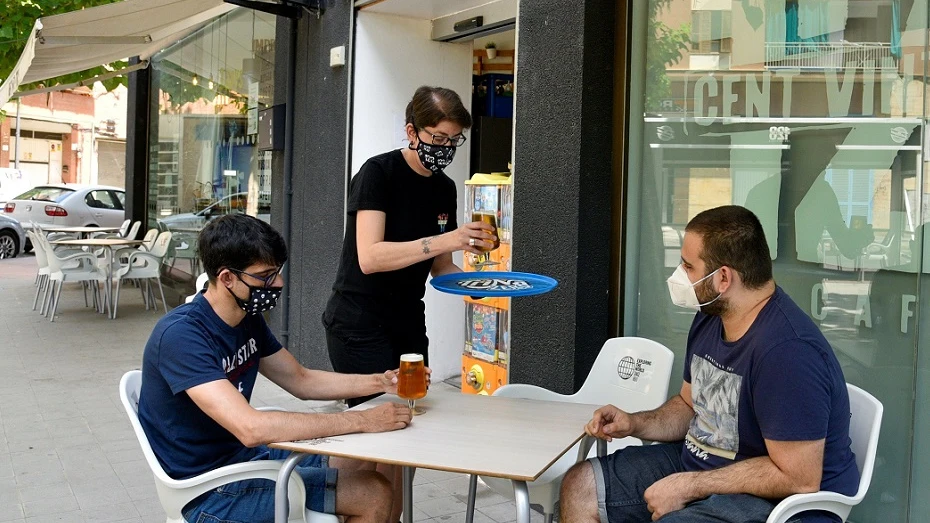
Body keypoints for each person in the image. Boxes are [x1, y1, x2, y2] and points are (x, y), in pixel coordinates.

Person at [560, 205, 859, 523]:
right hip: (708, 466)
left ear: (723, 278)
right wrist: (635, 423)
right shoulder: (711, 318)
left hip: (781, 504)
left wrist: (689, 486)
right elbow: (689, 406)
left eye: (688, 265)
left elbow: (799, 478)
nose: (679, 274)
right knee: (581, 485)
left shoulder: (788, 353)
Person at [138, 214, 415, 523]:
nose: (278, 283)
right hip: (207, 490)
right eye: (266, 276)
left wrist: (381, 382)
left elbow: (302, 380)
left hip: (243, 461)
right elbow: (251, 428)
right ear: (228, 278)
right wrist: (362, 419)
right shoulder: (182, 337)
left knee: (362, 458)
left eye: (277, 272)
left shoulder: (245, 318)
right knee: (373, 492)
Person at [323, 85, 495, 404]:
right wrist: (450, 238)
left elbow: (441, 268)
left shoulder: (444, 188)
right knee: (379, 418)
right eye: (439, 138)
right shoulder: (378, 174)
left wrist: (479, 286)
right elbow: (370, 257)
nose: (446, 148)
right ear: (411, 132)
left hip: (408, 321)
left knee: (414, 409)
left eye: (454, 140)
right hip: (359, 321)